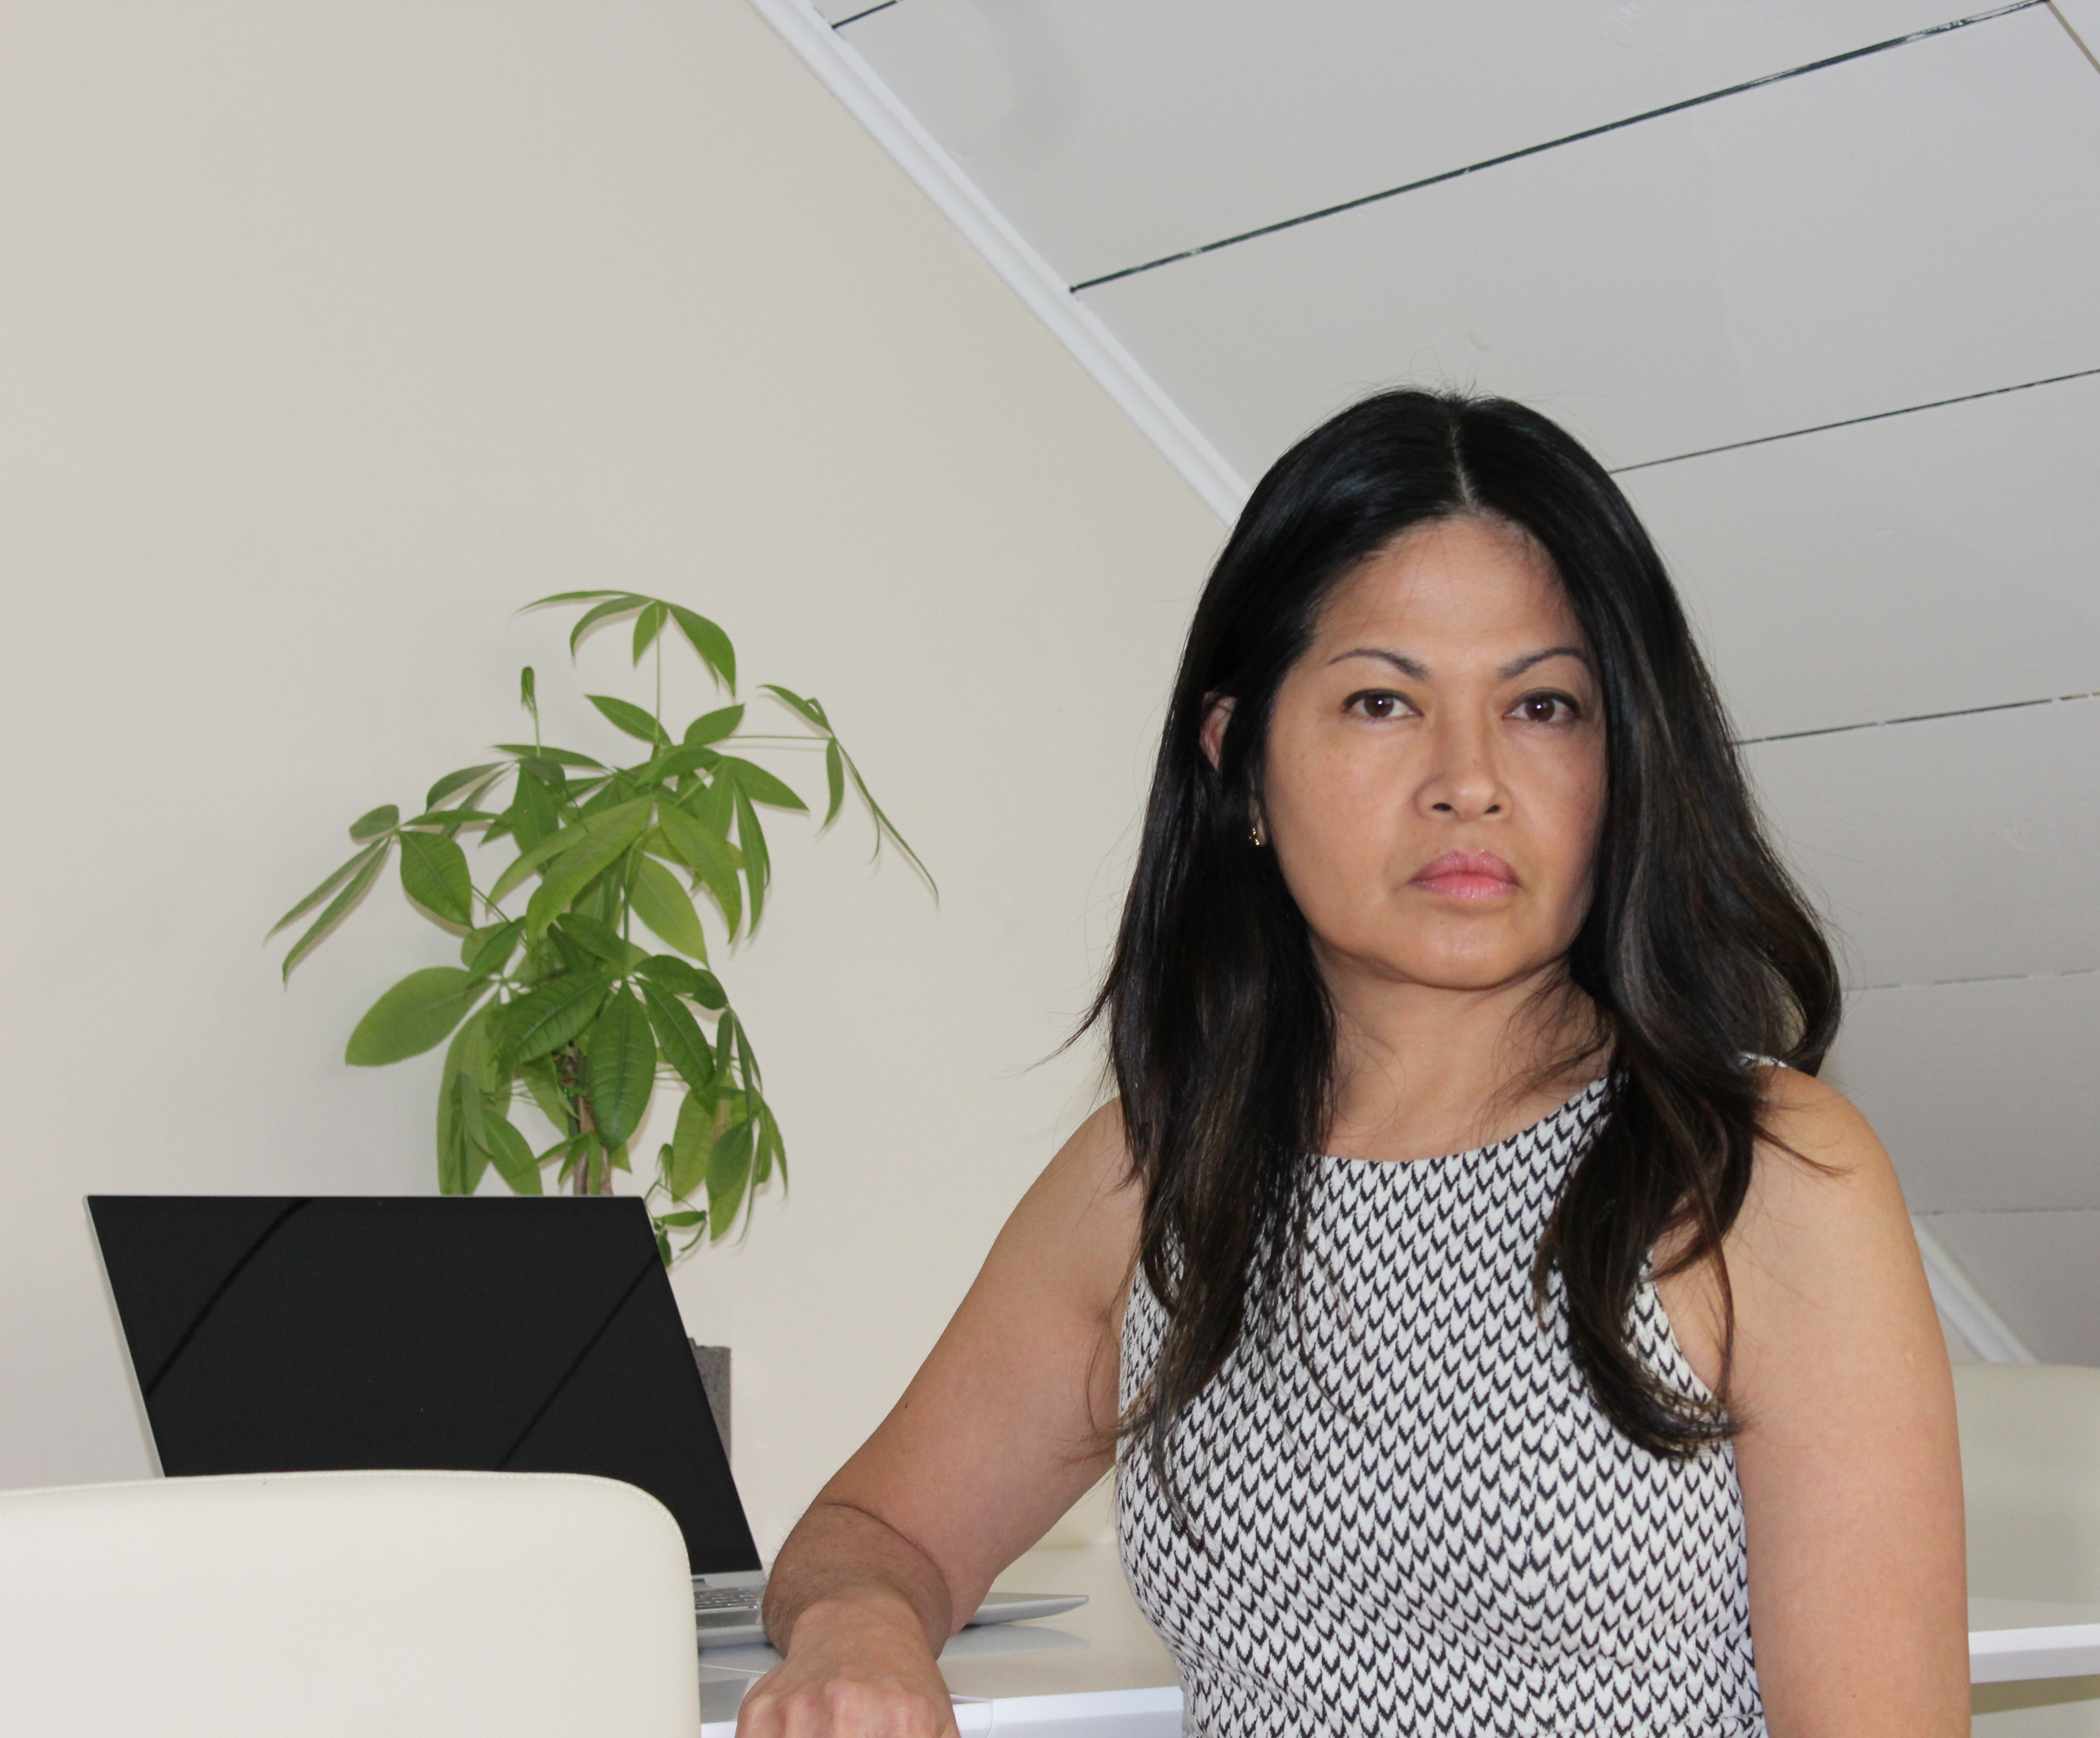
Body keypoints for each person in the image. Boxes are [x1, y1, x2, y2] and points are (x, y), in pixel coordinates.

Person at [737, 390, 1967, 1737]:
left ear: (1629, 764)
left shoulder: (1763, 1178)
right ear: (1242, 764)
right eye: (1383, 702)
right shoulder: (1155, 1177)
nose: (1469, 781)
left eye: (1546, 707)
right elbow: (870, 1530)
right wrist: (862, 1632)